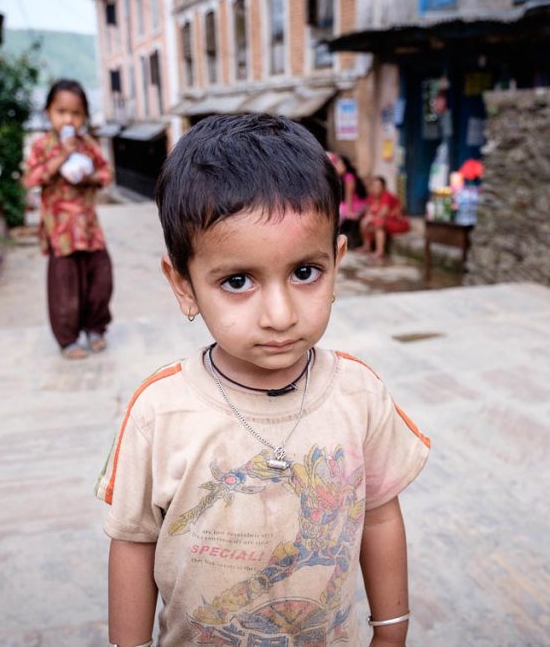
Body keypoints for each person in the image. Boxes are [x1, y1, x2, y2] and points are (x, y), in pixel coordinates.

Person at [95, 114, 430, 647]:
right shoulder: (160, 413)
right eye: (237, 281)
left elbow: (381, 516)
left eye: (304, 273)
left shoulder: (358, 394)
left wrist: (391, 631)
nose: (279, 314)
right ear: (183, 286)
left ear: (336, 263)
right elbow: (134, 543)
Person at [23, 79, 114, 360]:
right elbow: (31, 179)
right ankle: (68, 340)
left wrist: (89, 177)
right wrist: (61, 157)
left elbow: (106, 174)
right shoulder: (42, 146)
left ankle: (95, 328)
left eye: (75, 113)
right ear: (48, 112)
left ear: (84, 116)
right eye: (61, 111)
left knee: (101, 281)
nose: (68, 119)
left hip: (89, 230)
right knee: (65, 290)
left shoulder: (88, 145)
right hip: (61, 234)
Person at [360, 175, 411, 261]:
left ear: (383, 187)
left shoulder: (386, 196)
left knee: (378, 222)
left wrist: (370, 219)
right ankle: (367, 246)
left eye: (378, 186)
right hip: (385, 222)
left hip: (397, 222)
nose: (375, 188)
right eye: (373, 186)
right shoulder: (371, 198)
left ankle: (380, 252)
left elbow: (383, 213)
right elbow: (368, 212)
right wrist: (367, 219)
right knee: (364, 222)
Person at [330, 152, 365, 248]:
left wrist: (349, 212)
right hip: (346, 204)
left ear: (345, 165)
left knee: (337, 212)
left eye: (339, 164)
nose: (337, 166)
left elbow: (349, 196)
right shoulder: (340, 178)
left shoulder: (349, 177)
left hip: (354, 205)